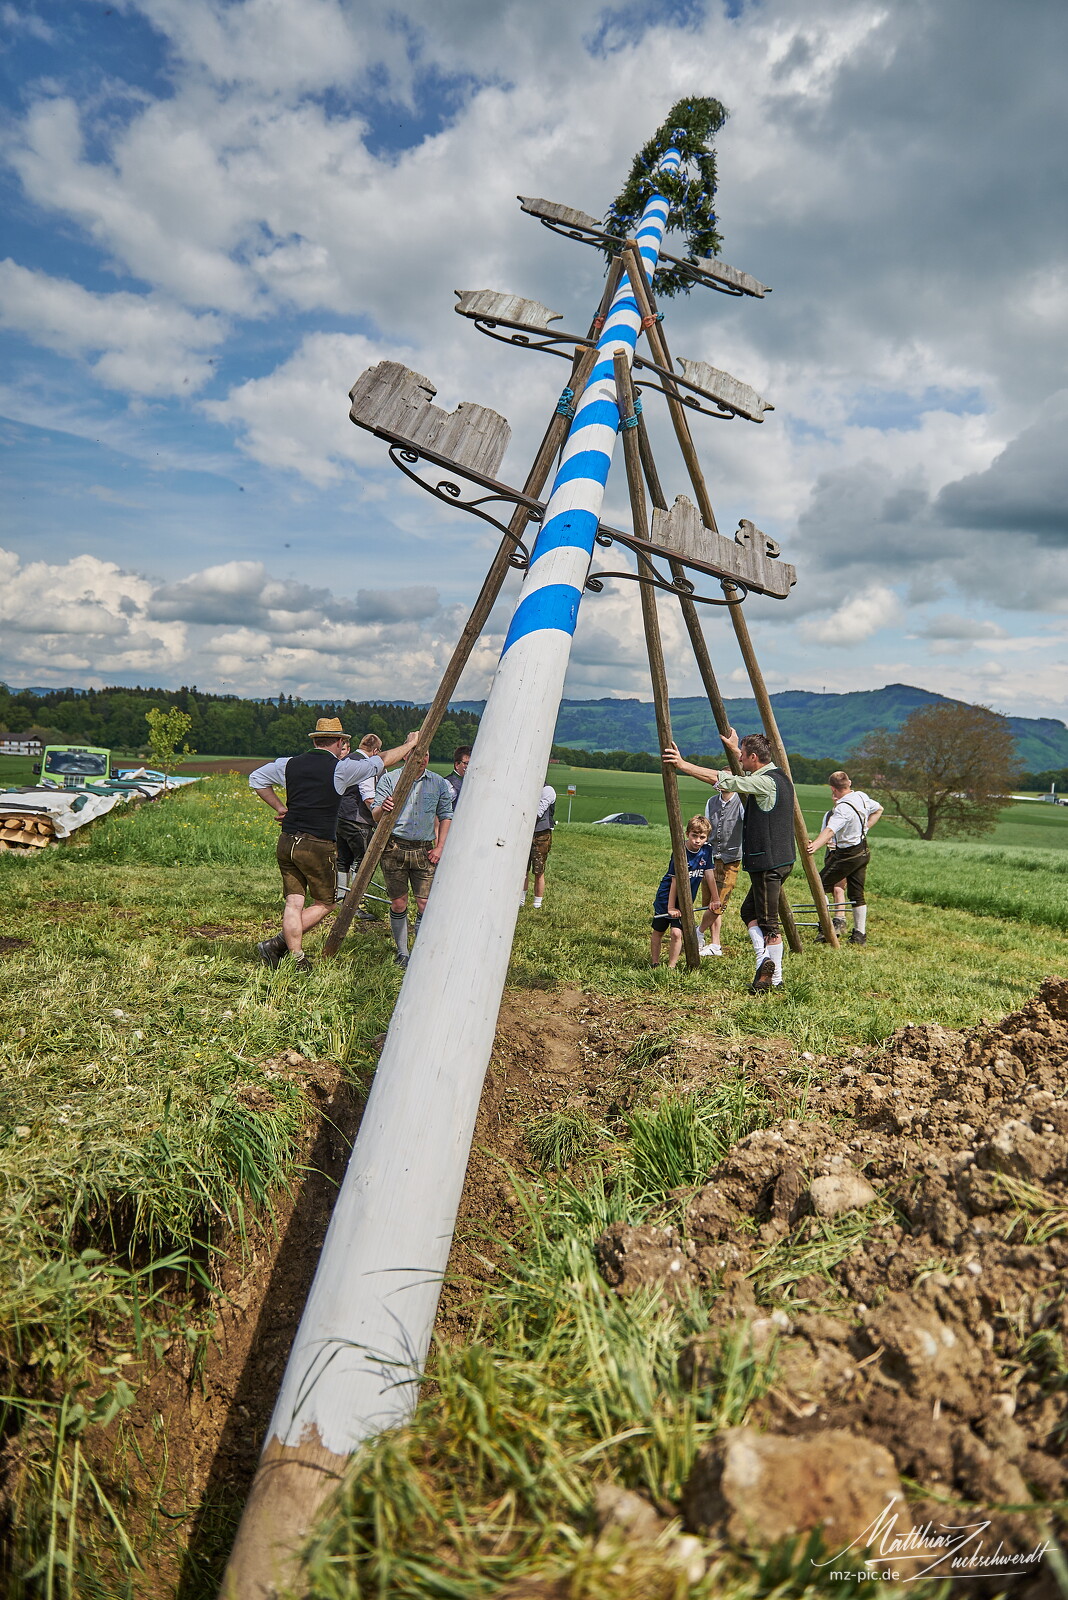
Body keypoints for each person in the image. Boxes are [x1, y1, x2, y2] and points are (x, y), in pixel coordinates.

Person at [249, 718, 418, 970]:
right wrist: (410, 744)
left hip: (287, 840)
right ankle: (277, 944)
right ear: (340, 742)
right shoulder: (340, 768)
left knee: (294, 902)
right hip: (316, 844)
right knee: (326, 903)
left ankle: (295, 956)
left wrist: (280, 808)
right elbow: (381, 760)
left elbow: (256, 779)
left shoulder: (288, 764)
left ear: (315, 740)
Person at [664, 728, 796, 994]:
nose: (740, 760)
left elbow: (722, 779)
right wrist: (737, 748)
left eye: (743, 756)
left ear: (754, 757)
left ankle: (773, 976)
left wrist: (682, 765)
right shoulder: (780, 775)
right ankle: (765, 963)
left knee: (769, 923)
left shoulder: (765, 782)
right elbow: (745, 767)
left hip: (768, 863)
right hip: (781, 860)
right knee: (749, 912)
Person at [371, 750, 454, 968]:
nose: (423, 758)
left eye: (426, 754)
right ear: (405, 756)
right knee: (399, 903)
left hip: (424, 850)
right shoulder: (390, 779)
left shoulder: (438, 782)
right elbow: (375, 815)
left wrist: (440, 847)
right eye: (418, 753)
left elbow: (446, 815)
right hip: (394, 848)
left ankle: (420, 949)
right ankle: (403, 952)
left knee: (425, 903)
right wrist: (383, 807)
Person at [806, 771, 883, 945]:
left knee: (818, 885)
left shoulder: (842, 808)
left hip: (847, 854)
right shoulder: (861, 797)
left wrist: (814, 846)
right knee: (856, 894)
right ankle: (859, 935)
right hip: (863, 850)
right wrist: (865, 829)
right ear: (849, 783)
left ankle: (827, 930)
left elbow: (830, 831)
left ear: (833, 789)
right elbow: (879, 809)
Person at [650, 816, 721, 969]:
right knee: (659, 930)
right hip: (667, 896)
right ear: (687, 833)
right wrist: (670, 907)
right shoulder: (680, 851)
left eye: (702, 837)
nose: (697, 841)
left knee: (676, 933)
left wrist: (715, 899)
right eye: (694, 836)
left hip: (685, 900)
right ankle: (655, 963)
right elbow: (675, 881)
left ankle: (671, 967)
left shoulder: (706, 850)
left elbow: (709, 875)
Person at [335, 732, 382, 914]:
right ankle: (354, 904)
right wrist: (377, 817)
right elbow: (368, 797)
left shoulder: (346, 759)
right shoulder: (366, 765)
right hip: (358, 820)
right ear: (376, 751)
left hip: (340, 817)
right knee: (362, 863)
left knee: (343, 860)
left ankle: (340, 898)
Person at [698, 788, 743, 957]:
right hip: (710, 858)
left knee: (719, 903)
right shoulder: (711, 802)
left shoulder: (741, 802)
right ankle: (715, 944)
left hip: (730, 859)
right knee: (710, 902)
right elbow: (707, 829)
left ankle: (698, 932)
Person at [522, 781, 556, 908]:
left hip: (541, 834)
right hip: (527, 833)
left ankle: (537, 903)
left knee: (538, 870)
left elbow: (538, 812)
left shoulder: (548, 790)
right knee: (523, 869)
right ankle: (521, 900)